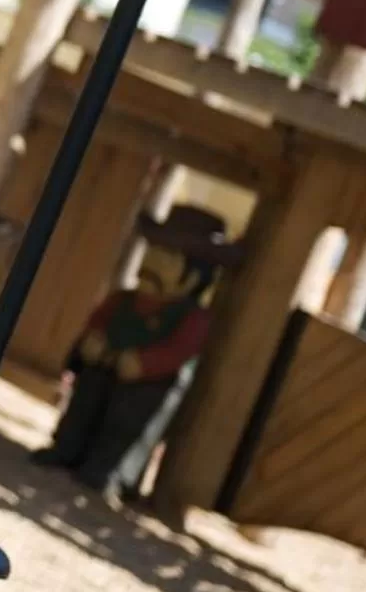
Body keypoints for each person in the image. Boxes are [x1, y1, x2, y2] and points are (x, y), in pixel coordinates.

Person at [30, 206, 238, 503]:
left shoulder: (193, 318)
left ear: (194, 276)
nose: (153, 263)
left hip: (148, 382)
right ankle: (67, 449)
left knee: (130, 421)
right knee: (85, 399)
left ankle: (112, 471)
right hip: (106, 366)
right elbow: (98, 321)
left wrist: (145, 363)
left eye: (168, 258)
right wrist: (93, 343)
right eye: (154, 252)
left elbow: (180, 350)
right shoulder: (123, 299)